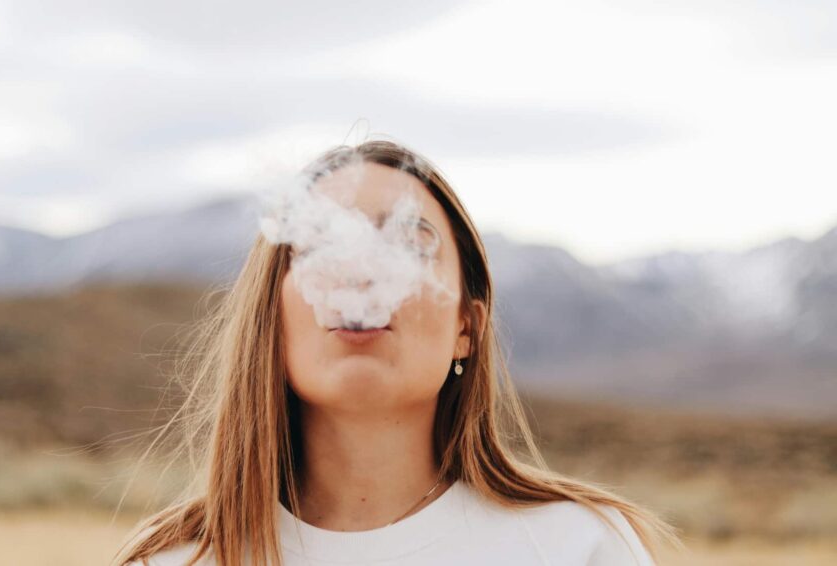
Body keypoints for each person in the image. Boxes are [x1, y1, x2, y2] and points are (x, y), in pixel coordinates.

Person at [113, 139, 682, 565]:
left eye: (408, 243)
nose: (360, 270)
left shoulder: (575, 548)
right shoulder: (174, 561)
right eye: (323, 243)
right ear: (269, 319)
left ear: (467, 326)